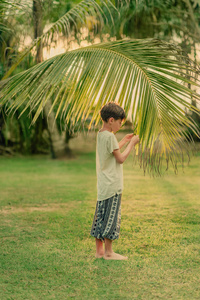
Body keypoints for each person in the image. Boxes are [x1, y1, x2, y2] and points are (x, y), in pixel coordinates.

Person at [90, 102, 140, 260]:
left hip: (103, 185)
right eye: (120, 122)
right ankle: (109, 253)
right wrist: (132, 144)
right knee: (111, 217)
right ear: (111, 120)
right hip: (113, 185)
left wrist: (124, 141)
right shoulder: (110, 136)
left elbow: (111, 151)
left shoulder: (101, 134)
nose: (120, 125)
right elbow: (120, 159)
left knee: (101, 216)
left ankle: (99, 252)